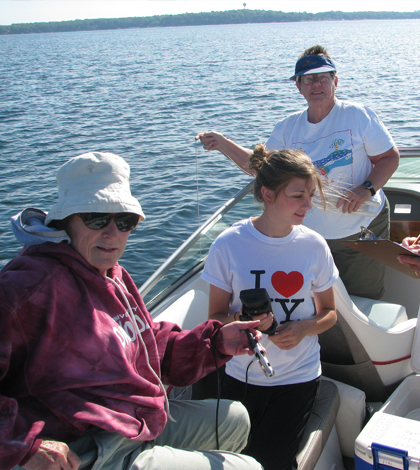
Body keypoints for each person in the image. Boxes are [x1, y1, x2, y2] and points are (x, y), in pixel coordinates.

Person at [0, 152, 265, 470]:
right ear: (65, 221)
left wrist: (216, 342)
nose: (112, 233)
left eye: (123, 221)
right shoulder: (25, 290)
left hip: (133, 420)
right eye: (97, 219)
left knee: (236, 418)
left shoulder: (113, 274)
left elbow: (150, 346)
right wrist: (24, 446)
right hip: (88, 447)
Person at [196, 44, 400, 300]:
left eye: (322, 78)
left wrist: (366, 188)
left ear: (335, 81)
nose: (316, 85)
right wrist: (223, 143)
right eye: (308, 79)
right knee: (316, 301)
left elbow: (389, 158)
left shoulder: (358, 116)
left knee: (364, 298)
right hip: (312, 234)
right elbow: (260, 167)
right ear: (298, 86)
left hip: (361, 227)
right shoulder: (287, 128)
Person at [201, 145, 339, 470]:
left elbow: (330, 313)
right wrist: (242, 320)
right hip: (240, 376)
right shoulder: (228, 245)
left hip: (299, 378)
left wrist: (304, 328)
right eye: (298, 196)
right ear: (267, 193)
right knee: (239, 461)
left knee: (274, 462)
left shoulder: (314, 246)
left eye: (310, 195)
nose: (308, 205)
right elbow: (215, 317)